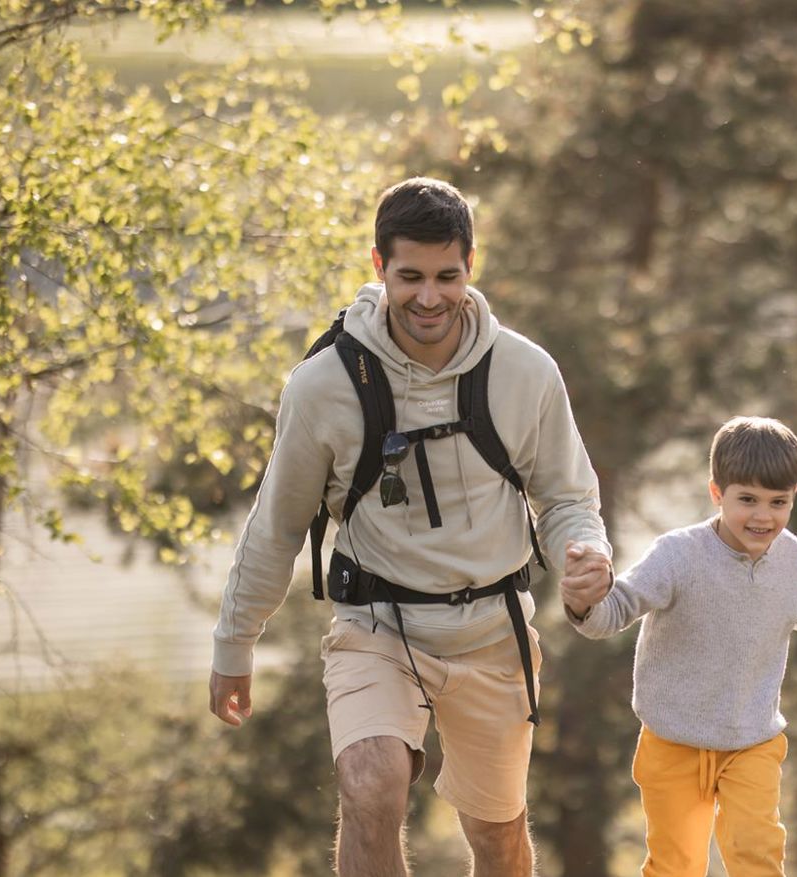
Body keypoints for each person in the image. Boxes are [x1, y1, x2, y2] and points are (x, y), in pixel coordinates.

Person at [207, 177, 613, 877]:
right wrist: (234, 642)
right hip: (376, 627)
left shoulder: (524, 372)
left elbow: (568, 497)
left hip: (493, 632)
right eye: (411, 276)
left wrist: (586, 552)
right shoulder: (324, 385)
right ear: (378, 266)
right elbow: (276, 525)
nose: (430, 297)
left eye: (447, 276)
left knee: (498, 838)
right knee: (370, 785)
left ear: (471, 265)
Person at [560, 416, 797, 877]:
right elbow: (614, 612)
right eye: (748, 500)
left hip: (752, 740)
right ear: (717, 493)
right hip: (672, 742)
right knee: (676, 864)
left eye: (779, 502)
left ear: (794, 496)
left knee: (757, 853)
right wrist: (584, 603)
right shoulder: (678, 555)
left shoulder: (790, 554)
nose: (763, 516)